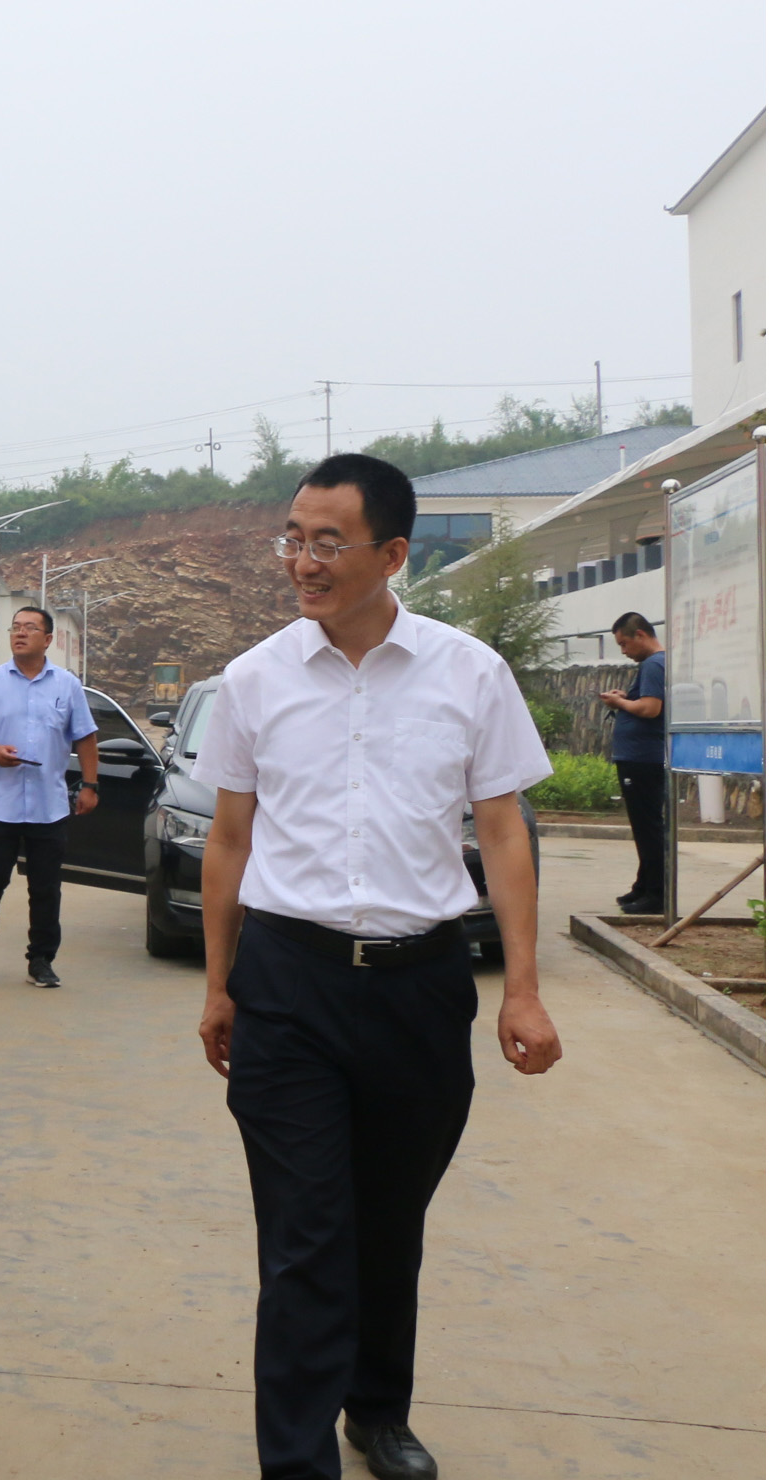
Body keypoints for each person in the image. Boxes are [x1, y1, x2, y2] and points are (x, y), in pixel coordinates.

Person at [196, 453, 561, 1481]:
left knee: (387, 1220)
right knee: (307, 1230)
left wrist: (522, 986)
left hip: (419, 985)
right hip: (289, 981)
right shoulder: (256, 678)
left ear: (392, 553)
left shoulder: (468, 672)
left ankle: (378, 1408)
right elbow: (228, 839)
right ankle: (297, 1457)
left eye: (327, 541)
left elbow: (503, 831)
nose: (301, 560)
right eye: (293, 537)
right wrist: (219, 983)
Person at [0, 606, 100, 988]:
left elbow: (85, 736)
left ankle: (41, 959)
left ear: (48, 639)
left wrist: (90, 784)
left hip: (49, 806)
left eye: (30, 628)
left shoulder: (67, 685)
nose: (20, 633)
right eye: (16, 628)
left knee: (46, 888)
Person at [598, 612, 667, 915]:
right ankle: (643, 885)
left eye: (625, 644)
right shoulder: (655, 665)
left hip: (642, 758)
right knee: (643, 826)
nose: (624, 652)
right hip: (639, 757)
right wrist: (627, 698)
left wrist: (619, 703)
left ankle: (656, 893)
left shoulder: (654, 664)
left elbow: (651, 709)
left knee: (648, 827)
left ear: (640, 634)